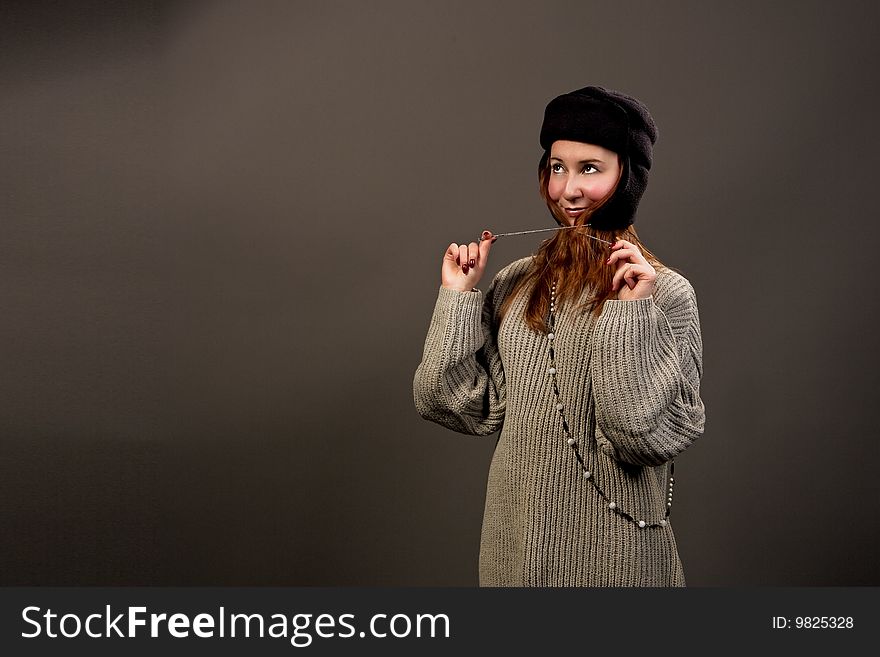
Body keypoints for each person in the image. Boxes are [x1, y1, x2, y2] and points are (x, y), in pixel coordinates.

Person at [413, 86, 705, 586]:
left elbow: (638, 435)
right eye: (557, 167)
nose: (567, 189)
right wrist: (458, 299)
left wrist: (628, 316)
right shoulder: (516, 283)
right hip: (513, 562)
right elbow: (450, 403)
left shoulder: (666, 295)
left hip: (620, 568)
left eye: (590, 168)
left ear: (628, 178)